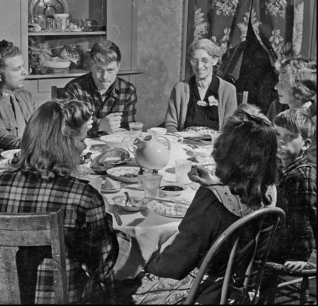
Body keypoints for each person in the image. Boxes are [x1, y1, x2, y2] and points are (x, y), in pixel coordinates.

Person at [0, 99, 119, 304]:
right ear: (65, 144)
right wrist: (107, 223)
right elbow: (102, 268)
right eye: (82, 139)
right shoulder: (84, 197)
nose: (84, 147)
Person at [123, 106, 279, 304]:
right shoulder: (268, 191)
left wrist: (144, 263)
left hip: (202, 292)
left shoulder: (211, 201)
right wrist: (216, 184)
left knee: (123, 279)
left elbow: (174, 266)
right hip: (239, 289)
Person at [269, 108, 316, 271]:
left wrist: (302, 256)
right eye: (277, 134)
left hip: (291, 249)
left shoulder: (301, 176)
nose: (281, 141)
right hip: (282, 237)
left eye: (289, 136)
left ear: (305, 144)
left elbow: (306, 217)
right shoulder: (283, 168)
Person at [64, 40, 137, 137]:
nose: (104, 77)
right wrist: (99, 125)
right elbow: (68, 130)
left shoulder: (128, 91)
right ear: (91, 65)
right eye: (99, 69)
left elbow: (127, 132)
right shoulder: (74, 89)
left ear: (118, 67)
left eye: (110, 70)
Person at [165, 38, 237, 133]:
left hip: (215, 144)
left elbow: (230, 129)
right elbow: (171, 124)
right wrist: (178, 140)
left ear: (214, 60)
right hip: (183, 144)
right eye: (195, 61)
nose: (199, 66)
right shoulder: (180, 88)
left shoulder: (228, 90)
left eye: (205, 60)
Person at [266, 56, 316, 122]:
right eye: (279, 81)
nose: (276, 87)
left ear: (300, 89)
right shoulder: (277, 106)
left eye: (283, 83)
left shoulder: (313, 119)